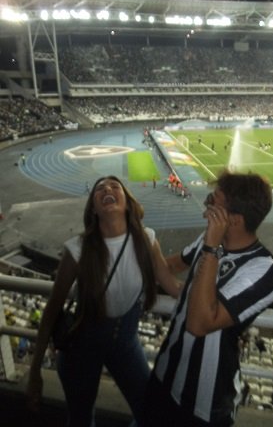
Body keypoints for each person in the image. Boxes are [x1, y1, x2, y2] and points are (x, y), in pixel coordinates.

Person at [26, 175, 181, 427]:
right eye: (100, 189)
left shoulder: (146, 239)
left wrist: (212, 297)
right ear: (94, 209)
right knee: (80, 419)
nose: (107, 188)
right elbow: (53, 309)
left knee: (152, 413)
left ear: (128, 203)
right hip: (80, 348)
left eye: (114, 186)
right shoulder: (78, 249)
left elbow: (172, 286)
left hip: (125, 342)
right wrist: (34, 372)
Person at [144, 170, 273, 427]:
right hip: (165, 374)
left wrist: (211, 247)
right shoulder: (207, 240)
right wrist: (147, 244)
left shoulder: (264, 270)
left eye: (213, 202)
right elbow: (171, 266)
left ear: (234, 220)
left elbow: (199, 324)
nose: (206, 206)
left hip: (203, 405)